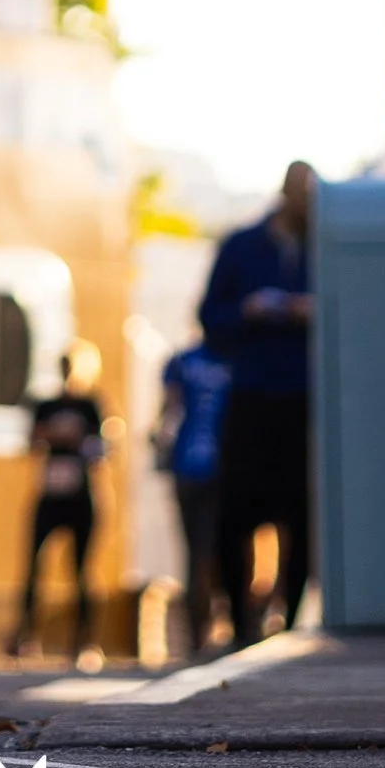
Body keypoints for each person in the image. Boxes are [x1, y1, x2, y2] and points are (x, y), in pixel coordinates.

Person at [200, 161, 315, 646]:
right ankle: (239, 622)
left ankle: (290, 617)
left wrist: (311, 312)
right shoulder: (242, 246)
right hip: (251, 394)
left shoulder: (324, 250)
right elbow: (210, 318)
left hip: (305, 397)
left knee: (302, 511)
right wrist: (249, 311)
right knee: (236, 510)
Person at [10, 346, 107, 664]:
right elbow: (32, 441)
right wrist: (56, 436)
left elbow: (101, 448)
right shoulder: (46, 405)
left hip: (81, 496)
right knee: (33, 566)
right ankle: (25, 635)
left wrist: (74, 440)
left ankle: (85, 641)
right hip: (50, 494)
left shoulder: (90, 405)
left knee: (82, 570)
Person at [155, 332, 229, 657]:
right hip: (215, 468)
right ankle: (213, 628)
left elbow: (168, 414)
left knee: (196, 553)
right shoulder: (233, 359)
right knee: (216, 551)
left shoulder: (182, 362)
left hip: (190, 465)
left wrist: (162, 447)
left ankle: (199, 634)